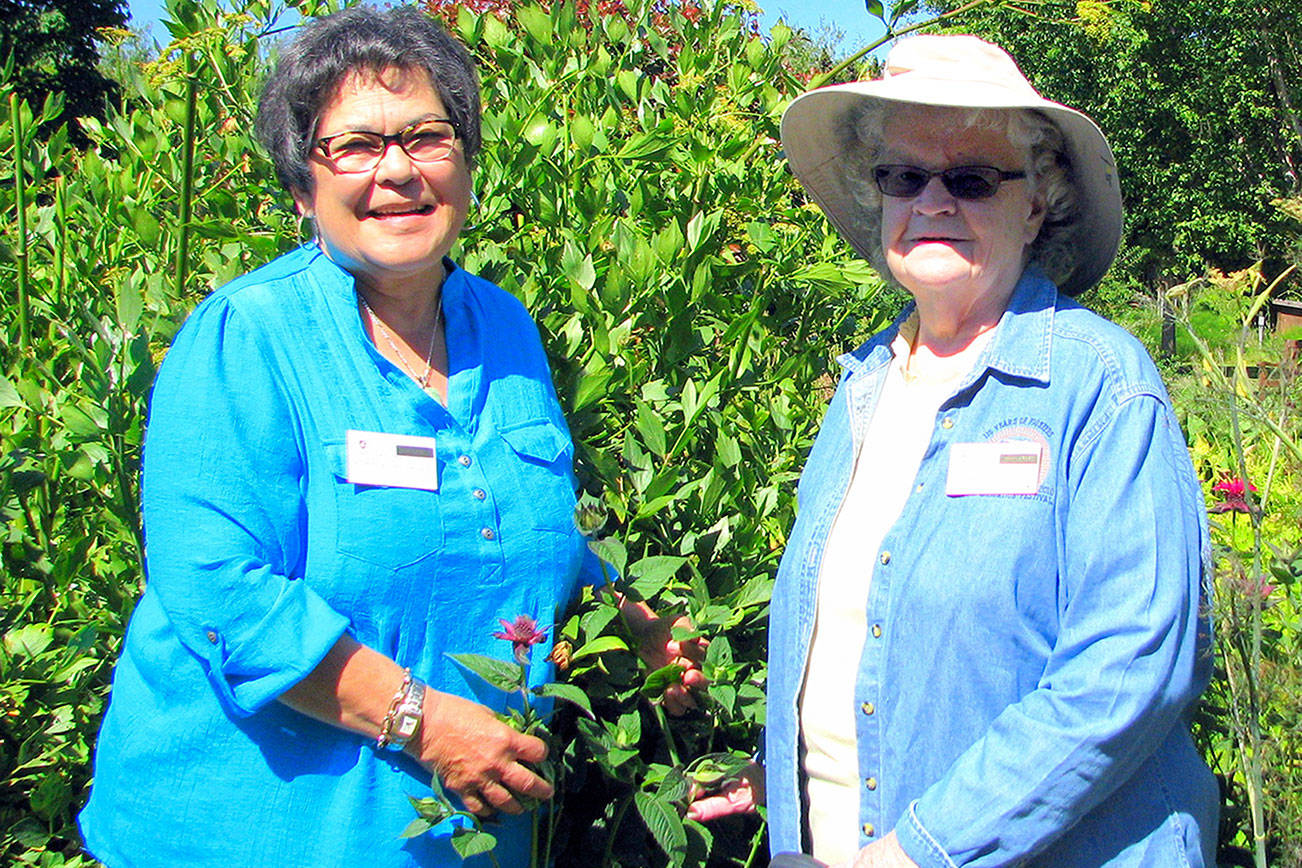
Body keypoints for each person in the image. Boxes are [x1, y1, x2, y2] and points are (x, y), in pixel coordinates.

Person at [78, 7, 702, 866]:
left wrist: (636, 623)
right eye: (357, 146)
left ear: (468, 161)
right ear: (304, 185)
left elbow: (544, 520)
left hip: (464, 833)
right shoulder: (247, 339)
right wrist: (424, 721)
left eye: (426, 136)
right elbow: (215, 588)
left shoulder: (505, 328)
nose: (398, 171)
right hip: (256, 833)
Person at [689, 34, 1216, 867]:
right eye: (904, 176)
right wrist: (792, 772)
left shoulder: (1100, 386)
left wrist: (918, 850)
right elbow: (885, 651)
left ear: (1037, 205)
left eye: (970, 179)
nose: (932, 200)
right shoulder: (864, 385)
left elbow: (1129, 671)